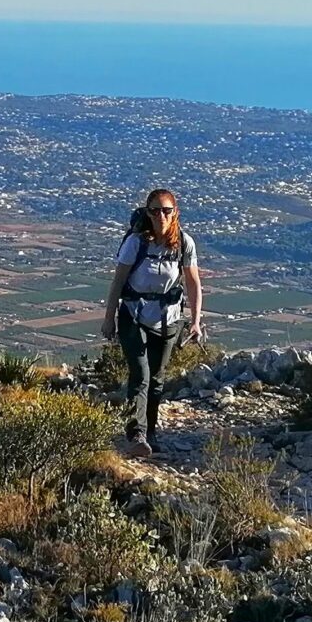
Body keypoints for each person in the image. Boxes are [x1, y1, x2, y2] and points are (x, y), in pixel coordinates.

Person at [101, 187, 203, 450]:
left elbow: (193, 284)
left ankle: (151, 431)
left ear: (175, 213)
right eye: (155, 210)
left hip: (169, 320)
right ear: (147, 213)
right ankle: (136, 434)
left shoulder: (184, 243)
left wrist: (195, 321)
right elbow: (118, 281)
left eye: (166, 210)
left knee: (157, 378)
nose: (161, 216)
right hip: (133, 316)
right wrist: (109, 318)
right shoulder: (136, 243)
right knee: (141, 374)